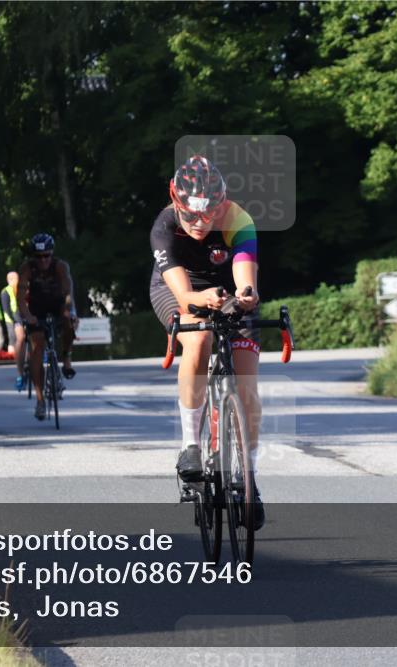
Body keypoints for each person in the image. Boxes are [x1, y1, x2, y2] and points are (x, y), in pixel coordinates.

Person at [150, 154, 264, 529]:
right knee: (197, 340)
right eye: (192, 215)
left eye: (209, 214)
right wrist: (201, 300)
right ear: (178, 205)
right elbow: (184, 296)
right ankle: (191, 446)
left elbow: (245, 272)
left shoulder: (238, 219)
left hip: (224, 288)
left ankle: (248, 477)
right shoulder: (165, 226)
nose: (201, 224)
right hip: (179, 289)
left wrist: (246, 294)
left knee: (246, 385)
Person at [18, 233, 79, 420]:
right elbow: (20, 297)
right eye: (39, 257)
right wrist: (28, 317)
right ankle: (40, 400)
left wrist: (69, 310)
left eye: (47, 256)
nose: (43, 260)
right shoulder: (27, 268)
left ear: (52, 254)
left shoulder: (60, 266)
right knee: (37, 348)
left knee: (69, 322)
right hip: (37, 309)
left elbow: (68, 291)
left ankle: (66, 357)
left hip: (58, 304)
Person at [0, 271, 26, 385]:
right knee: (16, 339)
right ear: (9, 280)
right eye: (15, 279)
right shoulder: (6, 291)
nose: (18, 281)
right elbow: (6, 308)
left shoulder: (21, 289)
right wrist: (15, 320)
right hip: (12, 319)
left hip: (22, 316)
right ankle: (17, 363)